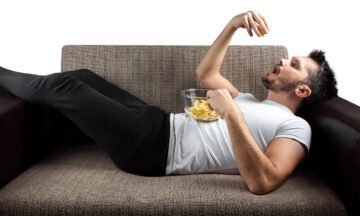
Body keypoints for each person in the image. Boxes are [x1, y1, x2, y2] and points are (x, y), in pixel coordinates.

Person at [0, 10, 337, 194]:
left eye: (294, 66)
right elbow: (207, 74)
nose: (283, 62)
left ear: (303, 91)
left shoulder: (295, 127)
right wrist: (233, 24)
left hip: (154, 151)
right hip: (158, 123)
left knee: (68, 86)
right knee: (84, 75)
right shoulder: (252, 99)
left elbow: (263, 182)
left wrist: (231, 112)